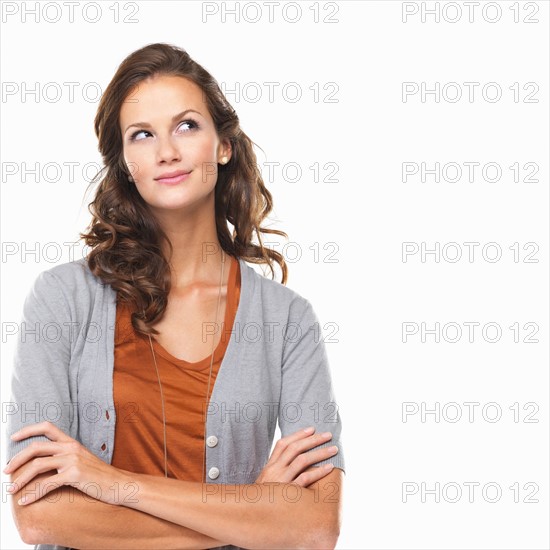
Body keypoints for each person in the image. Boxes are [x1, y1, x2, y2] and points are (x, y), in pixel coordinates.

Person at [4, 42, 345, 550]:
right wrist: (250, 508)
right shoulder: (63, 300)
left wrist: (115, 484)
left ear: (223, 145)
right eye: (142, 135)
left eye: (187, 126)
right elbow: (41, 515)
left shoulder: (286, 321)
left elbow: (315, 526)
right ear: (124, 164)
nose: (167, 151)